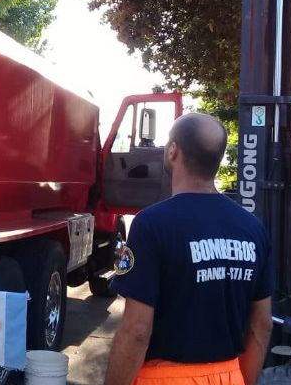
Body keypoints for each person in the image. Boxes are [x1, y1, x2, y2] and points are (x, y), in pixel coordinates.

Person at [105, 113, 274, 385]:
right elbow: (262, 325)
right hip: (228, 377)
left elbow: (136, 331)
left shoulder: (152, 225)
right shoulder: (253, 229)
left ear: (173, 151)